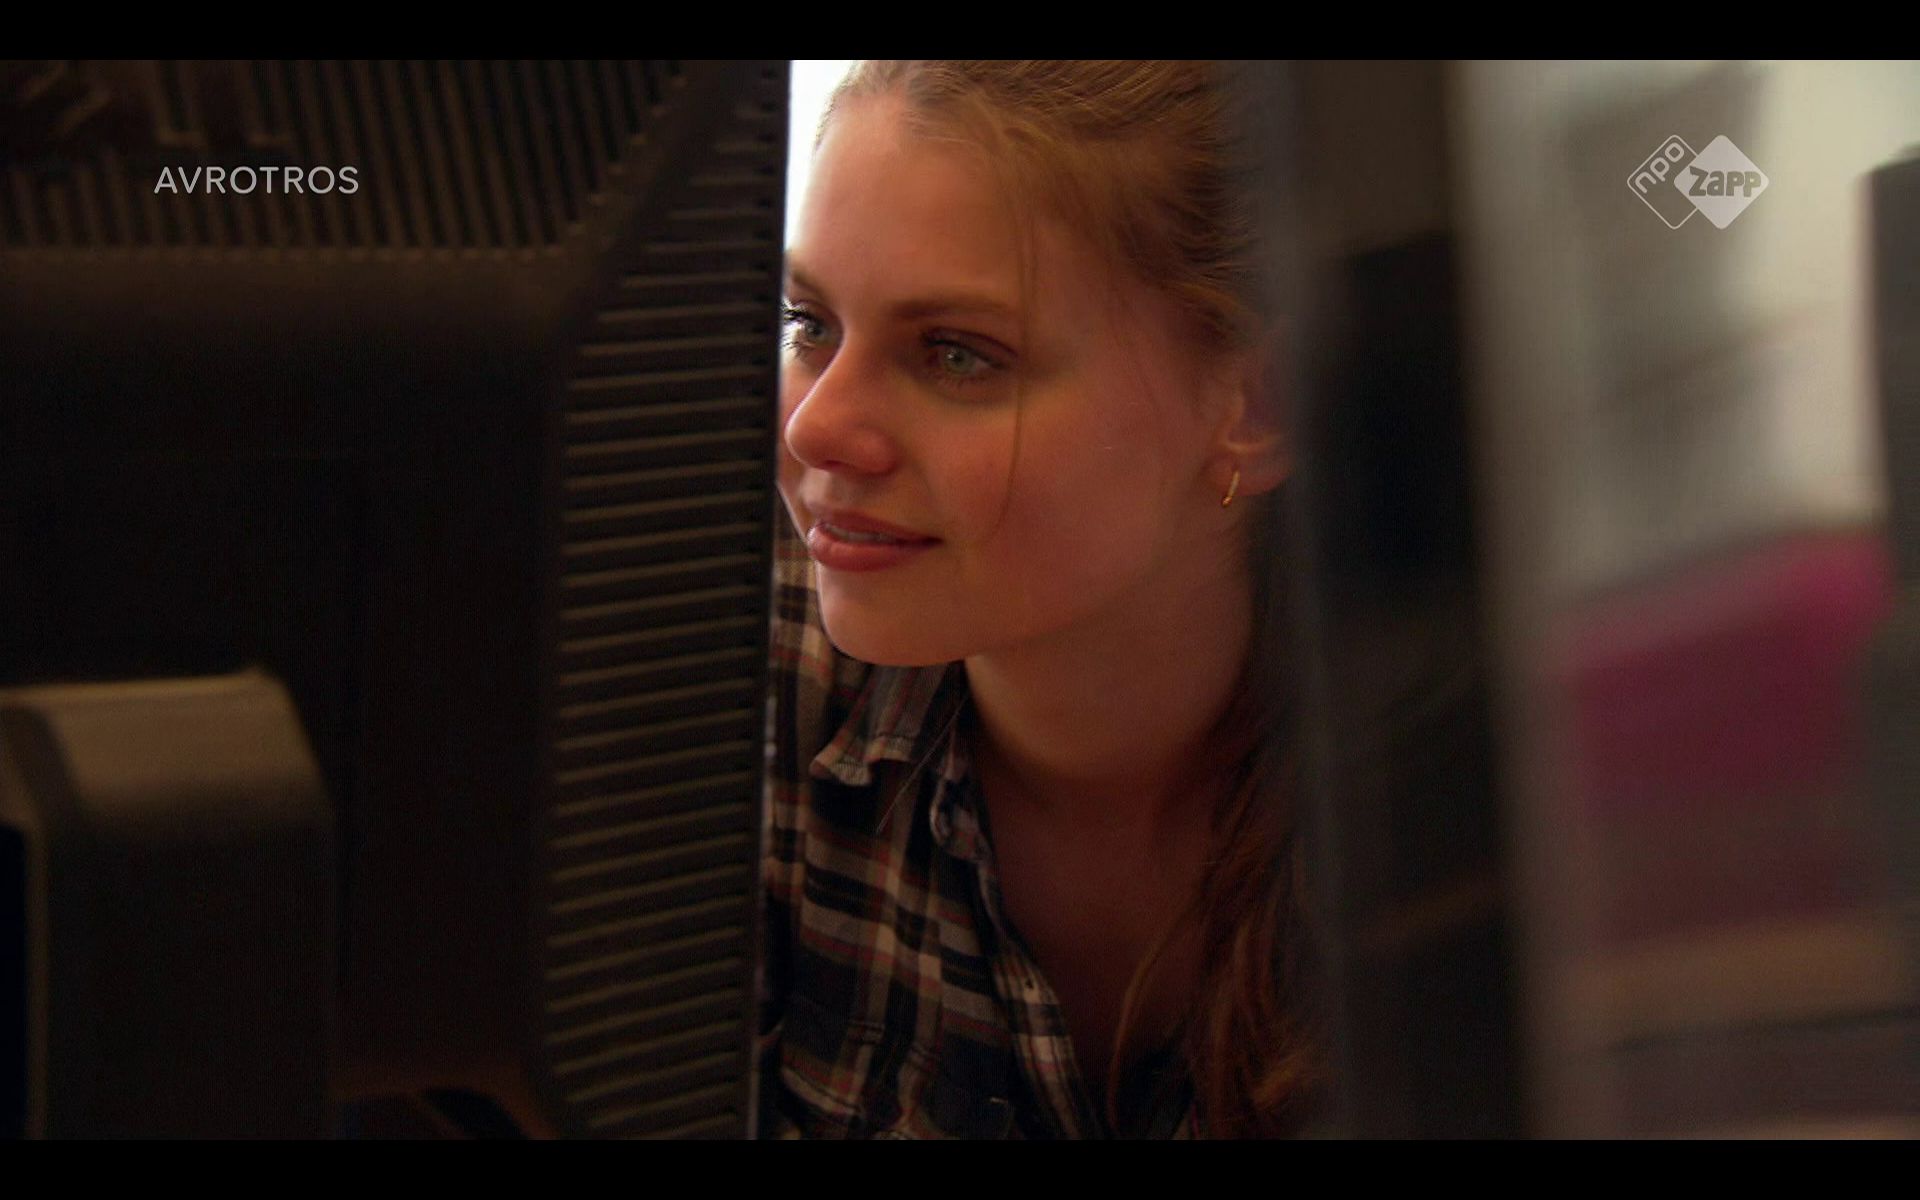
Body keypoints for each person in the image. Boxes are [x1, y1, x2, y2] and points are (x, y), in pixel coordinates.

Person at [757, 60, 1325, 1139]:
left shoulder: (1447, 801)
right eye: (809, 324)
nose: (813, 427)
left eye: (955, 355)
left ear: (1258, 406)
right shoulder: (730, 677)